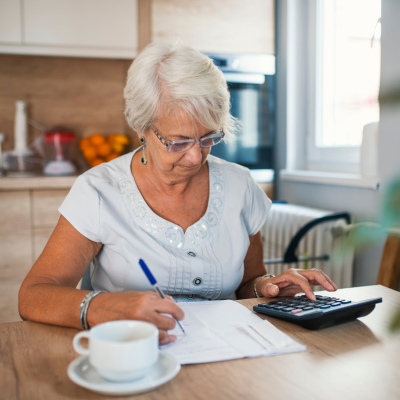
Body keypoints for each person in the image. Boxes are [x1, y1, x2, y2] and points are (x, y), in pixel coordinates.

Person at [18, 42, 337, 344]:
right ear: (141, 127)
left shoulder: (241, 186)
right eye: (178, 142)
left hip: (226, 353)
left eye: (208, 138)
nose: (196, 157)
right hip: (137, 352)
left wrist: (266, 286)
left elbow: (247, 283)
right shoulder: (99, 190)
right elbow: (34, 295)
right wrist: (103, 307)